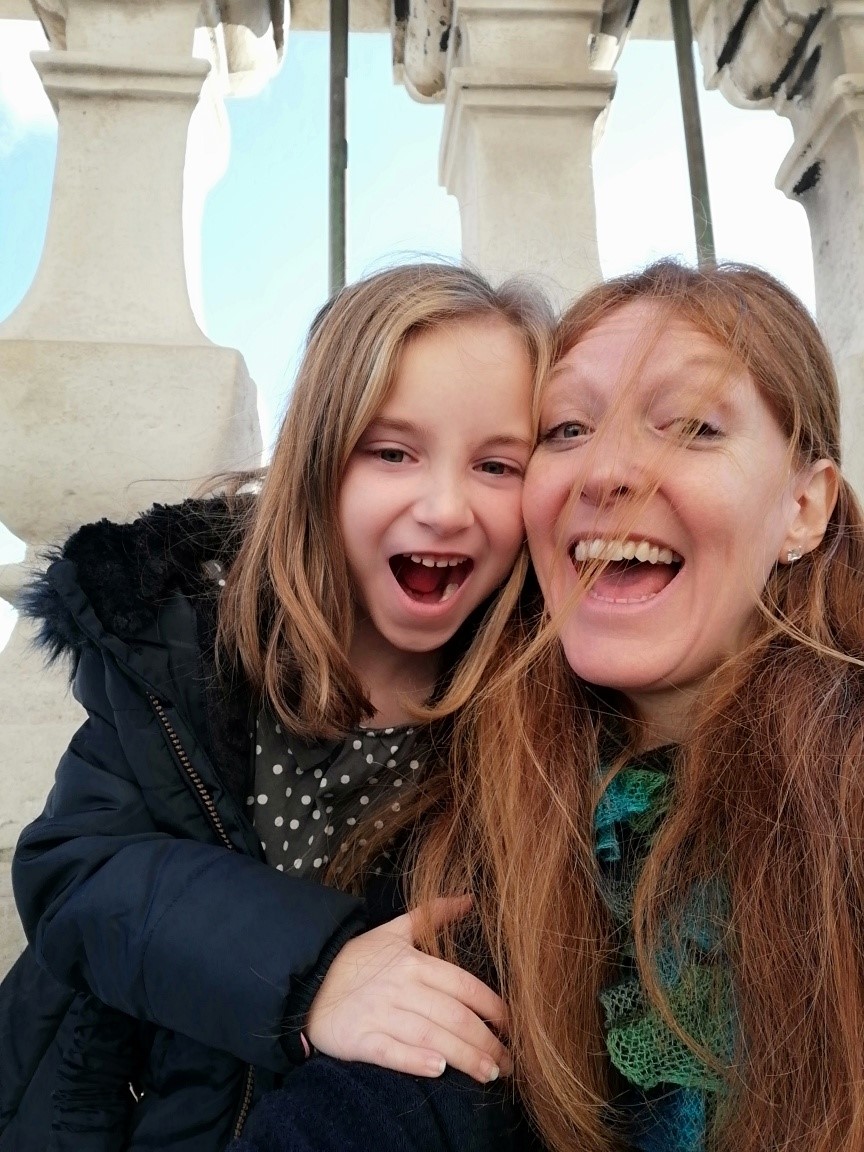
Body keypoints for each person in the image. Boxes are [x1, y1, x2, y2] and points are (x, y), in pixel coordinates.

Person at [0, 262, 554, 1152]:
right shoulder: (185, 640)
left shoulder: (531, 711)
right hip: (98, 1108)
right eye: (392, 452)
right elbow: (75, 872)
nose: (446, 507)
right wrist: (314, 975)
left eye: (497, 465)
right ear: (316, 463)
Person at [391, 259, 857, 1152]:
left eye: (693, 427)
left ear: (805, 507)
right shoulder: (473, 791)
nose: (603, 470)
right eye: (566, 428)